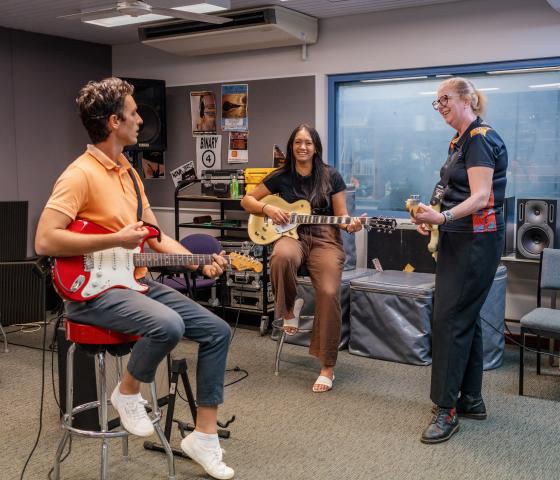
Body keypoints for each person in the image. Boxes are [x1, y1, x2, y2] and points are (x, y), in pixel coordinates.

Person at [35, 77, 235, 479]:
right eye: (133, 111)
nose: (141, 119)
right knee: (169, 324)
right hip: (91, 293)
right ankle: (127, 391)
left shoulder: (129, 172)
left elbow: (155, 239)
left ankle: (204, 437)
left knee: (217, 331)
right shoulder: (79, 174)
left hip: (133, 282)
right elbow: (44, 239)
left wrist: (200, 262)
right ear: (113, 121)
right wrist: (116, 237)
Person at [410, 77, 507, 444]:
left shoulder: (481, 139)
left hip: (475, 242)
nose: (441, 106)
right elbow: (452, 190)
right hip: (457, 239)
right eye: (437, 102)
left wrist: (445, 219)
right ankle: (471, 398)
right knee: (465, 316)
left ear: (467, 99)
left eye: (445, 99)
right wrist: (433, 217)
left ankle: (445, 409)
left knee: (449, 318)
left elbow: (481, 197)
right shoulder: (460, 141)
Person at [240, 124, 362, 393]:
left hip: (324, 238)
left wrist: (350, 225)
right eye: (297, 142)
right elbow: (246, 201)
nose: (303, 147)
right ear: (291, 146)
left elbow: (342, 217)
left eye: (307, 142)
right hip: (292, 235)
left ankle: (327, 367)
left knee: (330, 292)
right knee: (281, 256)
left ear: (315, 146)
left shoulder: (332, 176)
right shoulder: (281, 176)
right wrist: (267, 208)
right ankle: (288, 309)